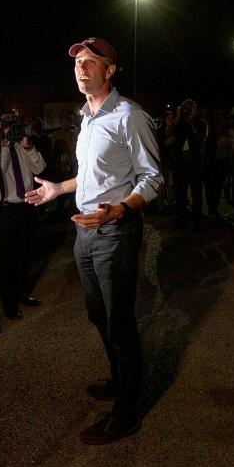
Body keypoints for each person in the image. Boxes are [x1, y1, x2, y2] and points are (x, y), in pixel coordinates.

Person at [25, 36, 162, 445]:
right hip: (84, 230)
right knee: (96, 314)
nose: (81, 68)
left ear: (110, 70)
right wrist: (58, 189)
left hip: (115, 230)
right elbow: (89, 178)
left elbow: (153, 178)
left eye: (91, 62)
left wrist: (122, 209)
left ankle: (126, 412)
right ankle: (120, 379)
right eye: (78, 62)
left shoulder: (129, 115)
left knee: (120, 323)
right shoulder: (87, 117)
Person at [0, 112, 47, 319]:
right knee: (6, 260)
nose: (10, 129)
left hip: (25, 207)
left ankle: (21, 292)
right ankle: (9, 304)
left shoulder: (21, 146)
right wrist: (5, 144)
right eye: (5, 125)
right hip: (4, 211)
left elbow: (40, 167)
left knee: (25, 255)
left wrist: (27, 146)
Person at [168, 98, 207, 226]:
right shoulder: (179, 123)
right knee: (180, 192)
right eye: (186, 108)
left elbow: (200, 139)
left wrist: (191, 122)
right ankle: (182, 218)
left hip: (194, 163)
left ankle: (197, 220)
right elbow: (168, 132)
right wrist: (178, 117)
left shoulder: (201, 123)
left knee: (196, 193)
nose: (188, 110)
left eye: (191, 108)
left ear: (195, 109)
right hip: (179, 164)